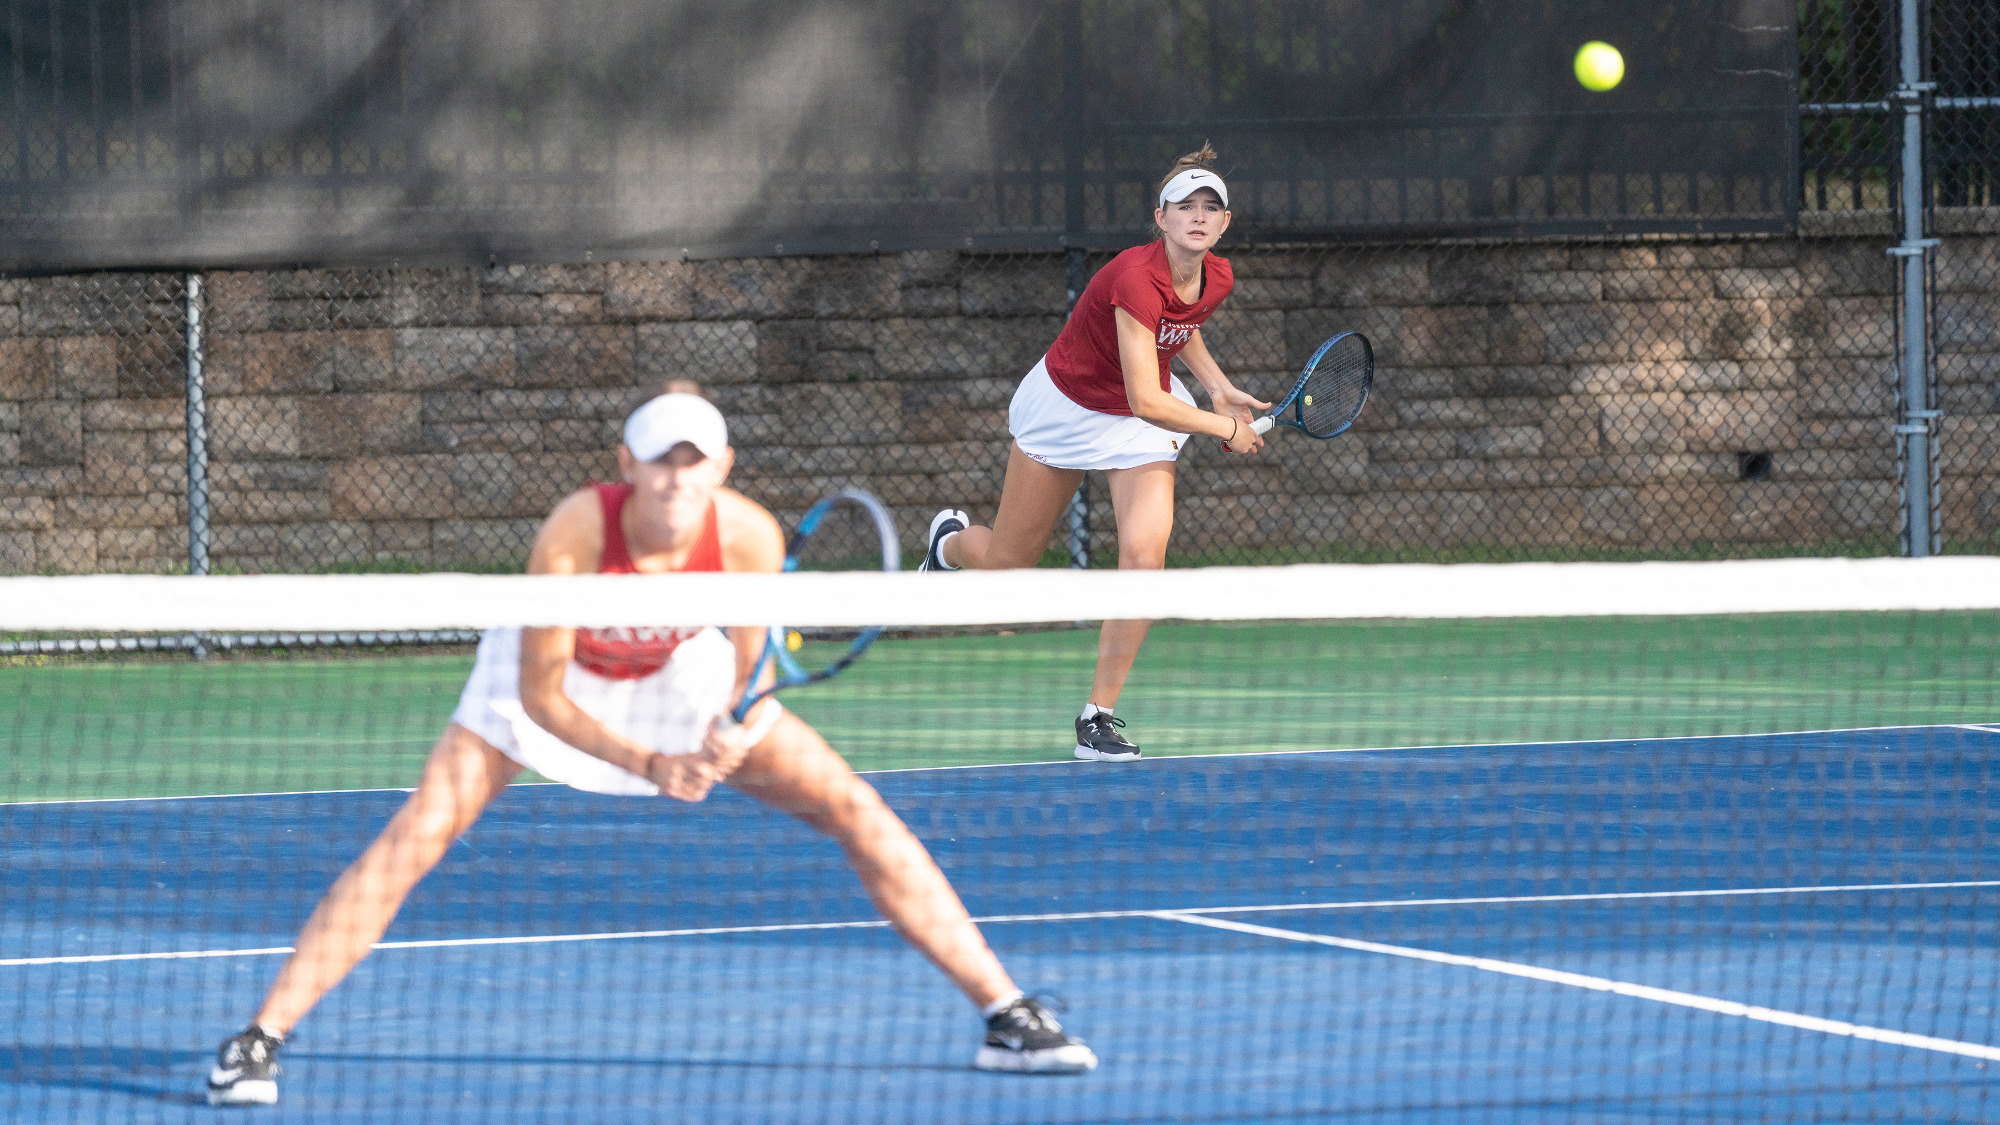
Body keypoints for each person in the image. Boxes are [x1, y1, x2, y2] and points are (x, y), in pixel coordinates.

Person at [205, 389, 1097, 1107]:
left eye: (693, 461)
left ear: (721, 468)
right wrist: (653, 764)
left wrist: (732, 728)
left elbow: (753, 664)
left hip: (678, 672)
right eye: (659, 461)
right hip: (548, 680)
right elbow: (540, 695)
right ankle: (258, 1038)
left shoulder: (745, 534)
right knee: (418, 833)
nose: (676, 480)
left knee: (855, 807)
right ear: (624, 465)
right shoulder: (575, 537)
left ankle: (1006, 1015)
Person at [920, 143, 1267, 763]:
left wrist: (1216, 384)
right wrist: (1223, 427)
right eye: (1183, 205)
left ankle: (1097, 718)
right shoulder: (1133, 275)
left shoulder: (1218, 275)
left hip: (1139, 415)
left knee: (1143, 554)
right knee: (1006, 572)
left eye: (1210, 207)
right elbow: (1145, 398)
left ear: (1223, 224)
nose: (1197, 215)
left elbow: (1177, 329)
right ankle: (948, 544)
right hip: (1071, 404)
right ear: (1159, 218)